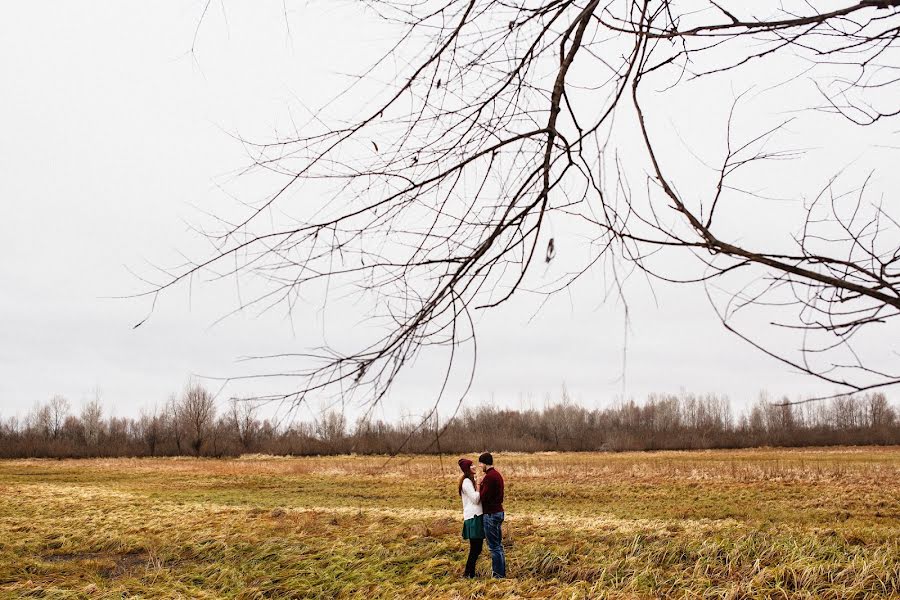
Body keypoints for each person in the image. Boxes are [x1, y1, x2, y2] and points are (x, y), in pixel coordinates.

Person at [478, 451, 506, 578]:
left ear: (485, 463)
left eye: (480, 463)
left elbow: (483, 497)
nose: (479, 466)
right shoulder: (497, 475)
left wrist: (479, 485)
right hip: (498, 512)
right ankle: (501, 573)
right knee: (498, 546)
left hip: (491, 514)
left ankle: (498, 576)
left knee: (494, 547)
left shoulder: (489, 477)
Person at [457, 457, 484, 578]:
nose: (474, 466)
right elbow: (476, 499)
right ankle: (468, 574)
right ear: (467, 469)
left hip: (475, 516)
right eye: (471, 465)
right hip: (473, 517)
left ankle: (469, 573)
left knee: (477, 548)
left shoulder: (469, 480)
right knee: (475, 548)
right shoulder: (466, 482)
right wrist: (478, 484)